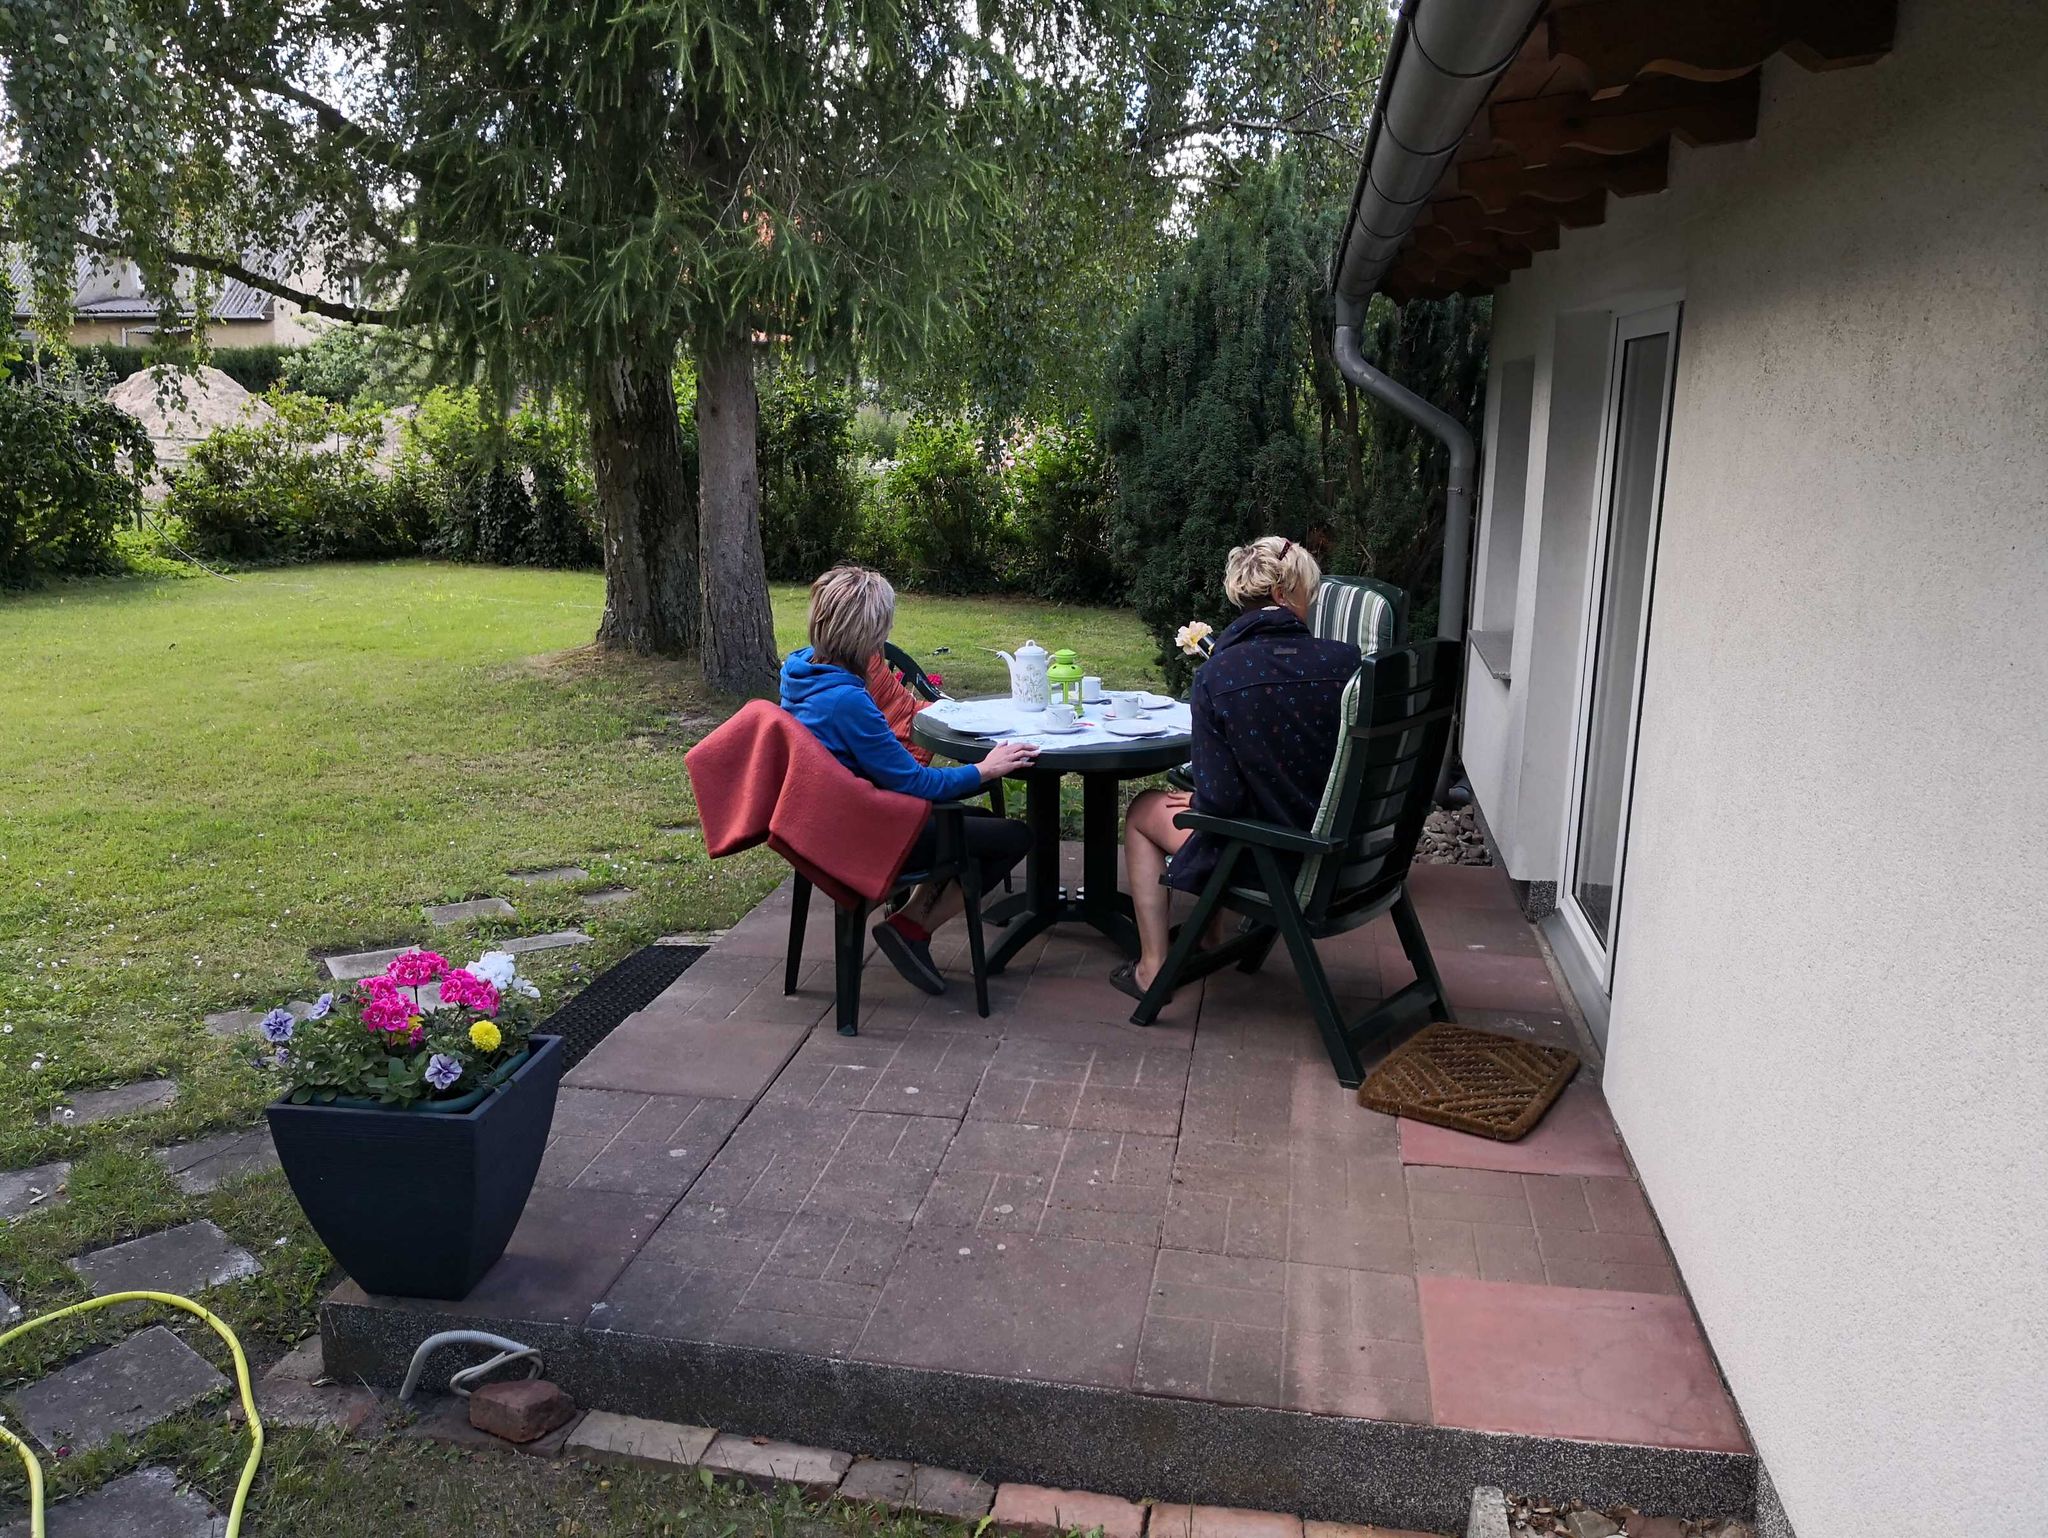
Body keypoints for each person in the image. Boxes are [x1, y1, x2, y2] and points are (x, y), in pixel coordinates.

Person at [1111, 536, 1360, 1000]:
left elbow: (1222, 802)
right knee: (1217, 810)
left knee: (1146, 810)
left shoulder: (1218, 675)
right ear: (1285, 595)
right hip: (1349, 854)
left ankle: (1153, 967)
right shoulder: (1346, 663)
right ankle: (1209, 937)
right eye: (1309, 592)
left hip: (1274, 859)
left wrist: (1204, 799)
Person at [780, 565, 1037, 995]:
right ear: (869, 633)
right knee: (1013, 837)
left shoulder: (802, 670)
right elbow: (913, 783)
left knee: (970, 824)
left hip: (831, 819)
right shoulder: (846, 700)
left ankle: (908, 922)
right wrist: (984, 770)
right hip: (868, 830)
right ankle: (911, 927)